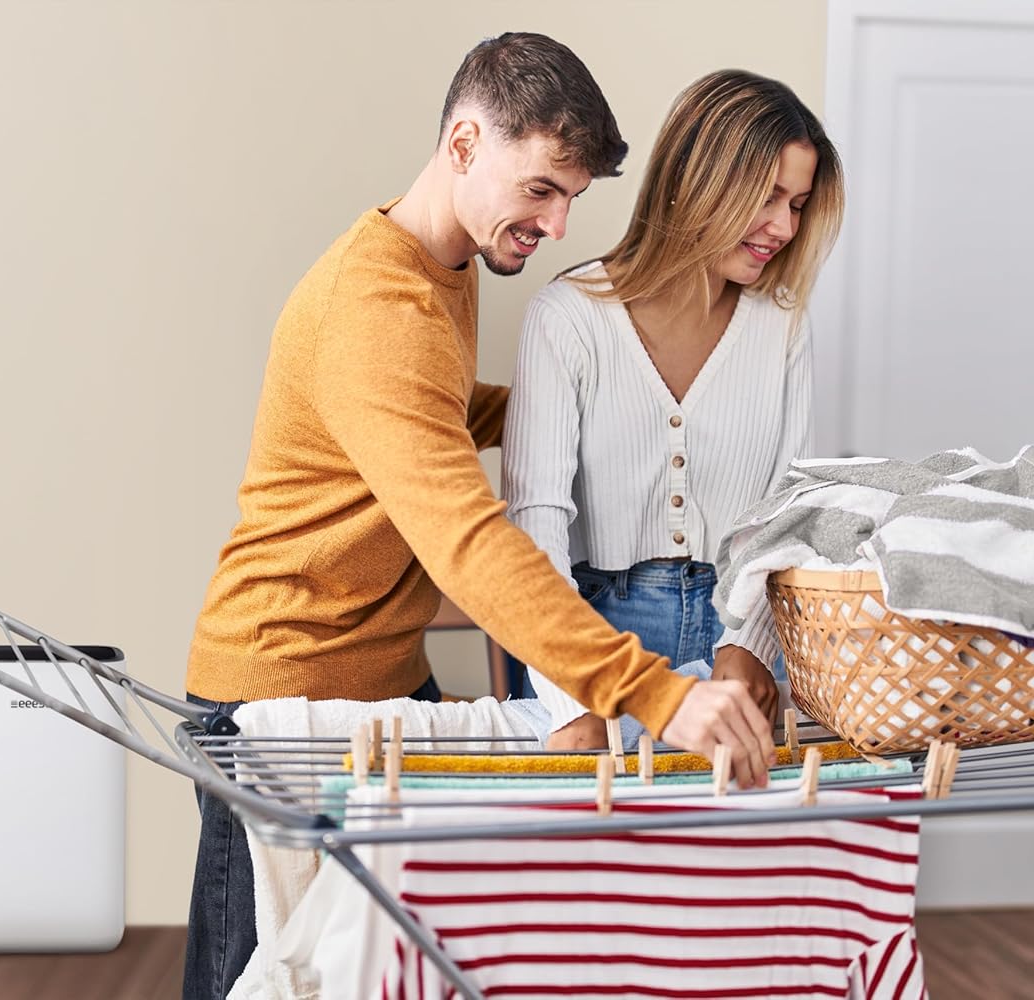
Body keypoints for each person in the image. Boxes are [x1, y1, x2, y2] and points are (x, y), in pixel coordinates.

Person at [181, 36, 774, 1000]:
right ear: (464, 142)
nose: (557, 219)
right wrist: (658, 695)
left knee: (394, 970)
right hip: (282, 696)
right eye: (540, 188)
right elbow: (467, 540)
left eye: (572, 196)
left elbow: (433, 408)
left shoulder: (438, 266)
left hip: (382, 677)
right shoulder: (379, 306)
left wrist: (578, 400)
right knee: (267, 979)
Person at [503, 69, 845, 751]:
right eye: (768, 195)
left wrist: (748, 645)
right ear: (701, 179)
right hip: (593, 645)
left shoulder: (782, 326)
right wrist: (576, 699)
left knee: (731, 857)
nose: (783, 225)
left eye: (799, 203)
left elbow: (789, 509)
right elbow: (533, 527)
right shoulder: (567, 319)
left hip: (741, 637)